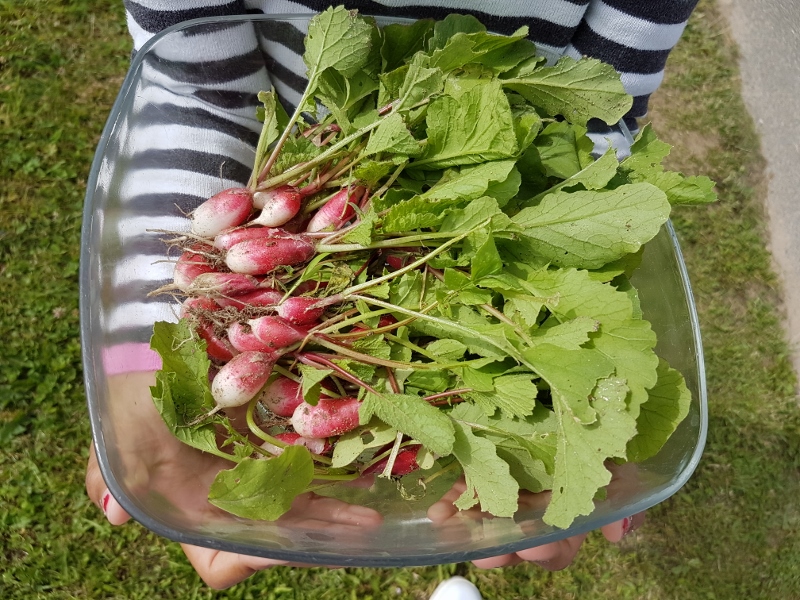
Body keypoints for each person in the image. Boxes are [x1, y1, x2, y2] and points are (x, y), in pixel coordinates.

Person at [85, 0, 696, 595]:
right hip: (317, 156)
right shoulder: (273, 255)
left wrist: (584, 417)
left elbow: (590, 122)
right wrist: (147, 346)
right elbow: (200, 92)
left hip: (415, 199)